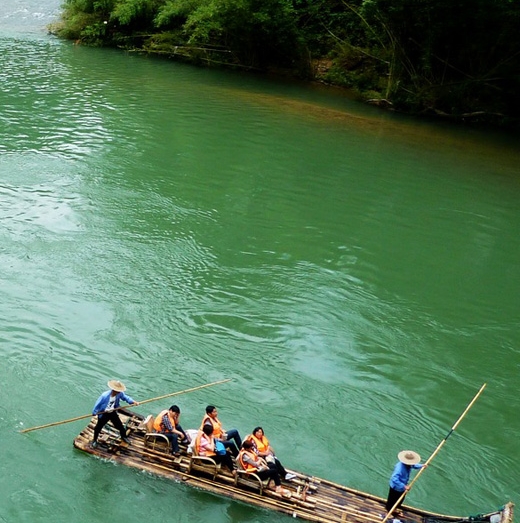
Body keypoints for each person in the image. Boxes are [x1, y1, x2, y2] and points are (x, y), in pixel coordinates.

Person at [92, 380, 139, 447]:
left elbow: (125, 398)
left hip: (112, 412)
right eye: (117, 391)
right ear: (113, 390)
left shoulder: (119, 394)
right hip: (104, 413)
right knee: (98, 428)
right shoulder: (104, 396)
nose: (118, 392)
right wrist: (94, 412)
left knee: (120, 426)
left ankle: (124, 437)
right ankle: (94, 440)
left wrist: (133, 402)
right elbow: (97, 404)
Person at [385, 450, 426, 514]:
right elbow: (394, 479)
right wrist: (404, 486)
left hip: (402, 486)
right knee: (392, 500)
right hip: (396, 487)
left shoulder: (409, 465)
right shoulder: (399, 468)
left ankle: (395, 508)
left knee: (400, 499)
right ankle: (390, 510)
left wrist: (421, 466)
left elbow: (414, 465)